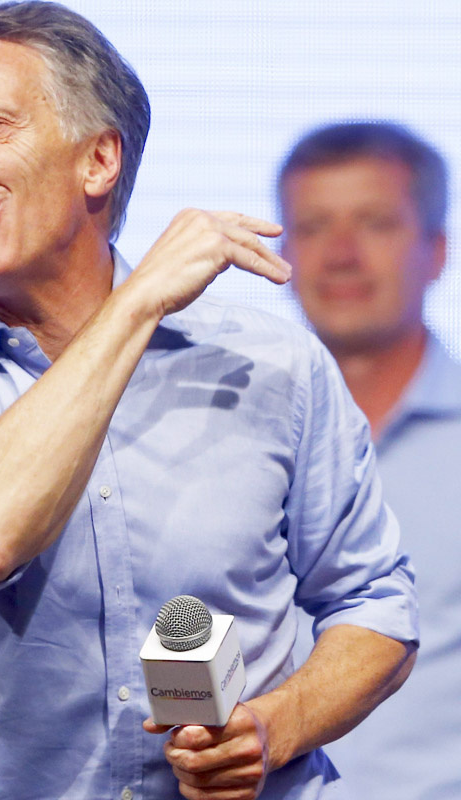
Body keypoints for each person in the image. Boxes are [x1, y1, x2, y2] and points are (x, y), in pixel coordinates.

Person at [0, 3, 419, 799]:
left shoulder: (268, 360)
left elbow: (376, 605)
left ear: (99, 160)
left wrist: (279, 726)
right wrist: (134, 306)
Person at [278, 121, 460, 798]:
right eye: (314, 227)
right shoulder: (223, 449)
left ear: (436, 250)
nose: (341, 255)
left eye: (376, 224)